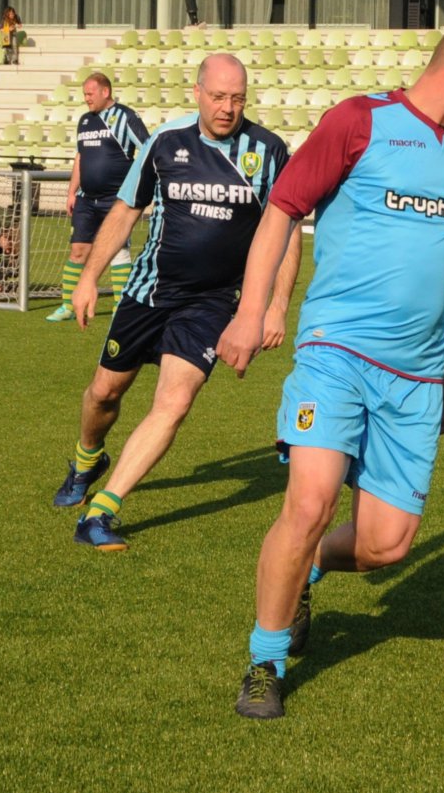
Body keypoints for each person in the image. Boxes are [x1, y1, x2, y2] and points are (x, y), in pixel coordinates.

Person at [216, 16, 444, 719]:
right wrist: (250, 307)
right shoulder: (360, 121)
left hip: (416, 377)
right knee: (310, 500)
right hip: (338, 353)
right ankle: (267, 660)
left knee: (388, 544)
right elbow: (282, 211)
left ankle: (308, 569)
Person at [53, 53, 300, 554]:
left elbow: (288, 232)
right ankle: (86, 459)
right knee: (104, 394)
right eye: (218, 97)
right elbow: (126, 210)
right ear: (197, 92)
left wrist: (276, 307)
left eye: (237, 99)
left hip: (211, 304)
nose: (227, 108)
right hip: (148, 292)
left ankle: (102, 511)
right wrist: (87, 278)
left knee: (174, 402)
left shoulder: (269, 151)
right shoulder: (165, 141)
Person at [46, 72, 150, 322]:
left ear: (105, 92)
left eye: (90, 93)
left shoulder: (126, 117)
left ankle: (119, 307)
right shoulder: (84, 121)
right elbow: (80, 158)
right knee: (78, 250)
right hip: (86, 199)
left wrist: (140, 184)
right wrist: (72, 191)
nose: (86, 99)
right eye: (84, 94)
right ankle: (68, 306)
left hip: (116, 200)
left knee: (118, 251)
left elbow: (148, 147)